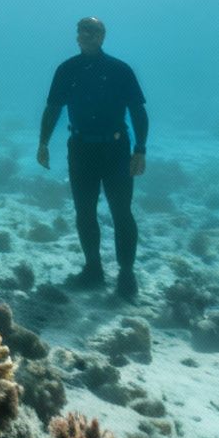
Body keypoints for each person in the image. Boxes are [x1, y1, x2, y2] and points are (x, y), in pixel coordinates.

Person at [37, 16, 149, 299]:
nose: (84, 35)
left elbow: (138, 112)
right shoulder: (67, 70)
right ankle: (93, 270)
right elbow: (53, 108)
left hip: (116, 149)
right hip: (80, 149)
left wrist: (140, 149)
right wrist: (43, 143)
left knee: (121, 212)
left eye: (91, 31)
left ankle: (126, 274)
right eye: (80, 31)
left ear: (102, 36)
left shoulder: (120, 71)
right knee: (84, 213)